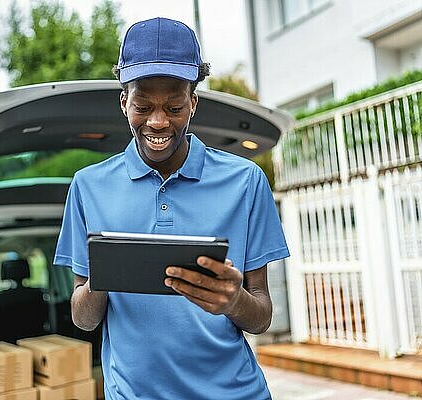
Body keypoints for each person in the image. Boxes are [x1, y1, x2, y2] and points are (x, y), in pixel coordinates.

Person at [54, 17, 289, 400]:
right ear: (123, 102)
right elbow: (84, 318)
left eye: (175, 107)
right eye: (143, 106)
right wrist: (106, 273)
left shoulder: (245, 182)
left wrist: (234, 300)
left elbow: (261, 315)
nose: (159, 122)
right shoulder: (87, 187)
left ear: (193, 103)